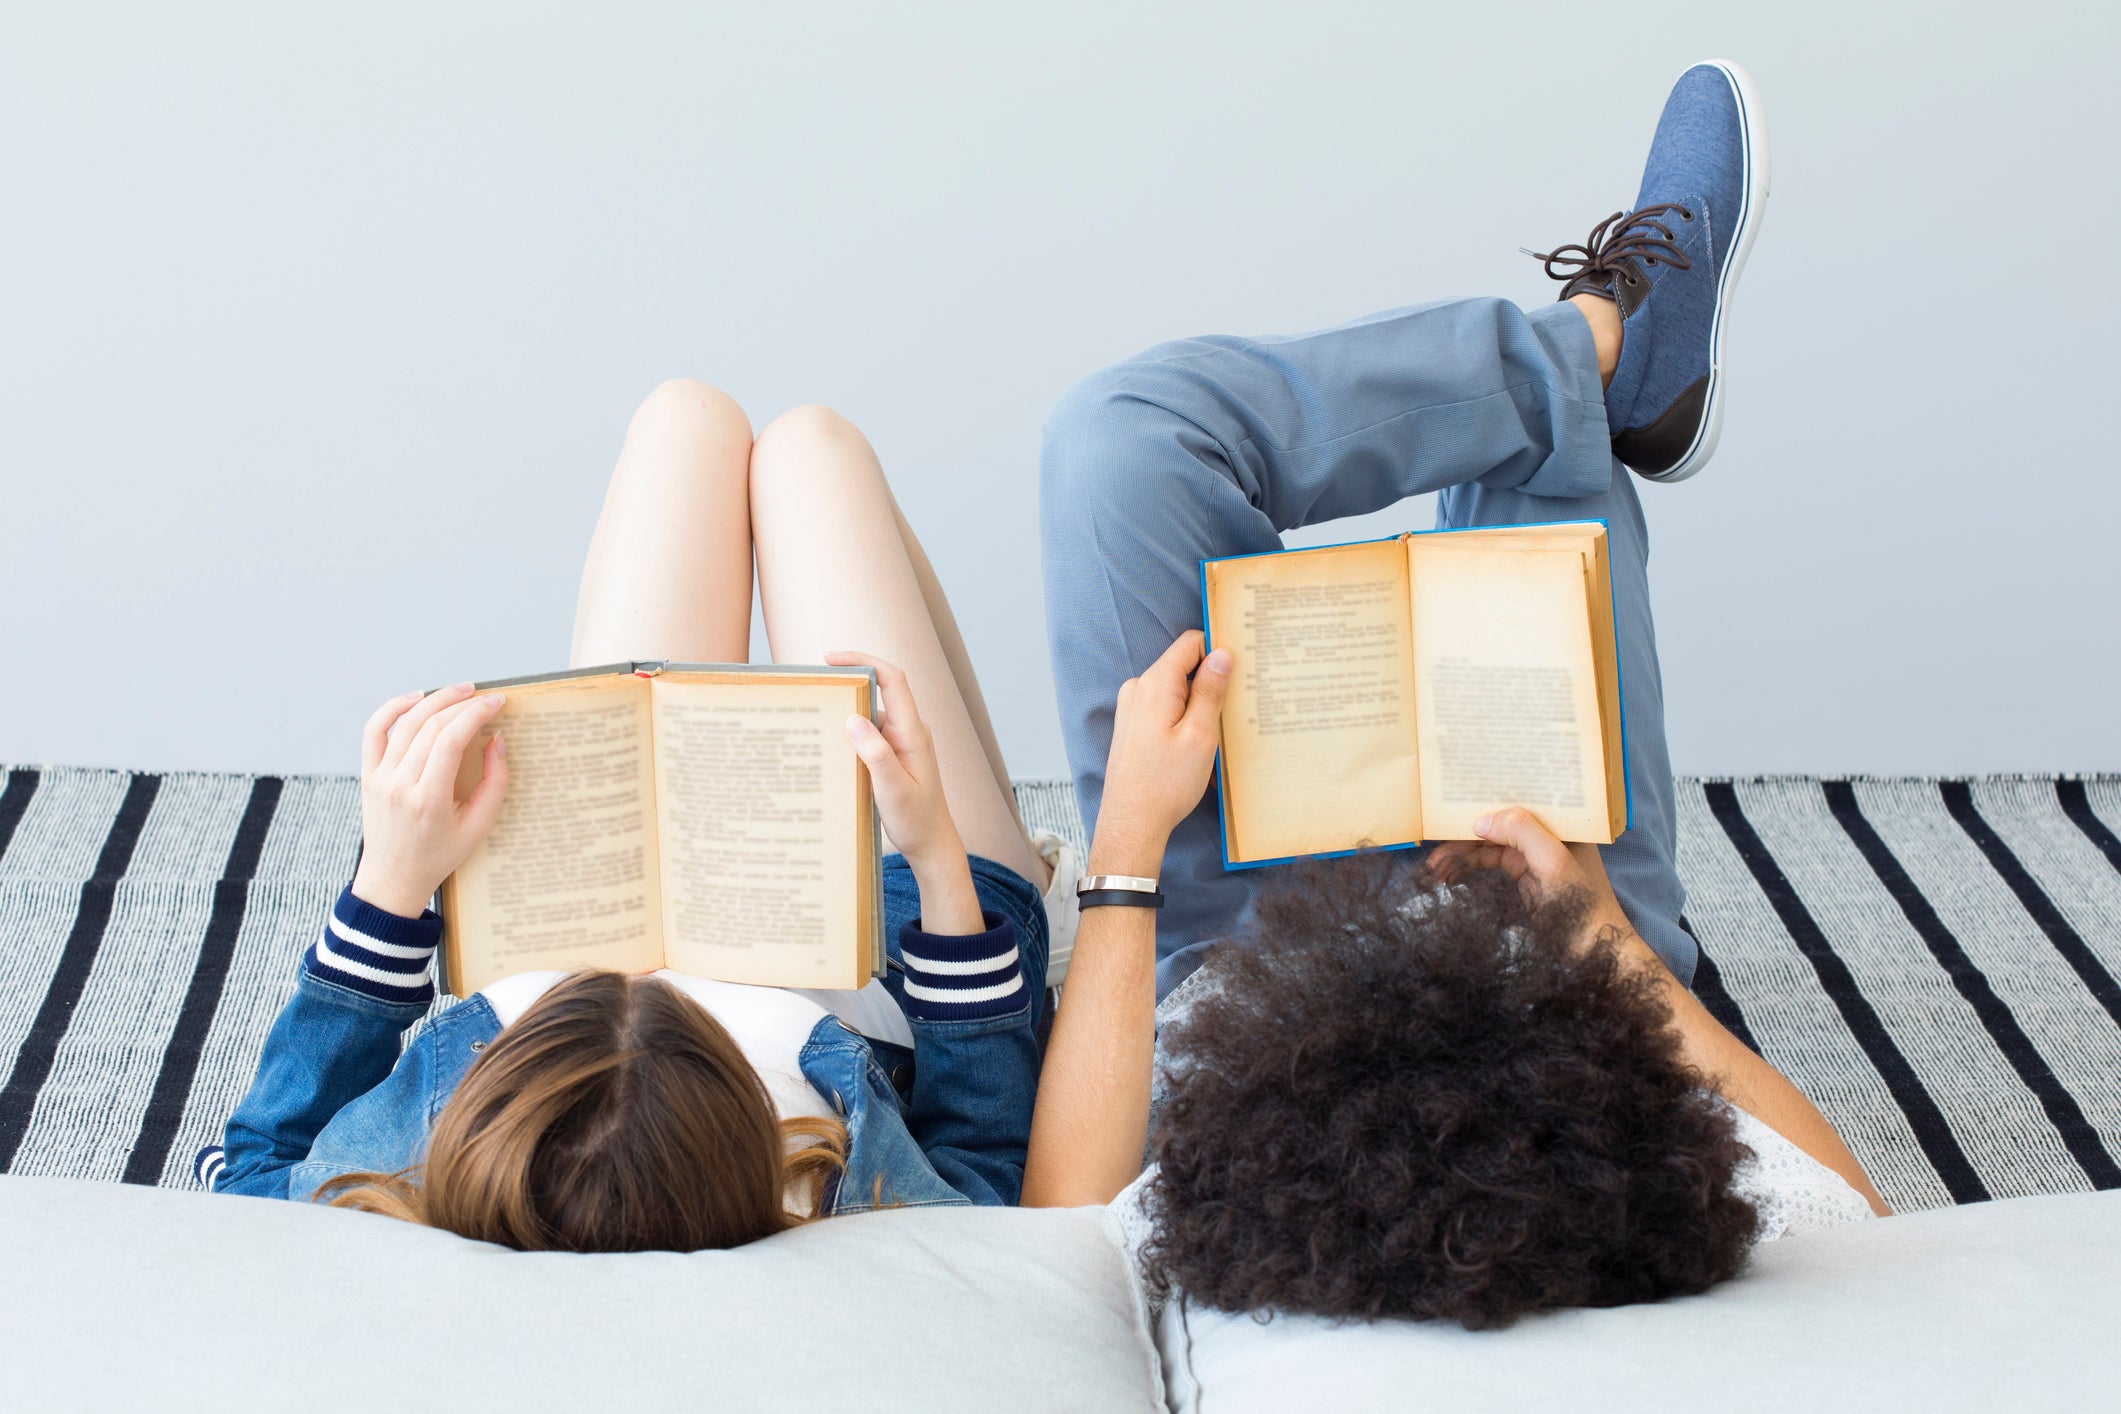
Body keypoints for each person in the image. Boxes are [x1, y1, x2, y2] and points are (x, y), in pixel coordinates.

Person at [1021, 60, 1890, 1327]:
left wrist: (1127, 849)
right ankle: (1605, 358)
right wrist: (1593, 927)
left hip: (1234, 962)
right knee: (1536, 492)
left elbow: (1058, 1225)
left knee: (1122, 440)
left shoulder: (1217, 1231)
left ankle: (1583, 362)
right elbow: (1853, 1226)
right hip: (1541, 933)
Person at [196, 390, 1076, 1251]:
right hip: (906, 942)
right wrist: (932, 859)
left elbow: (253, 1171)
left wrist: (389, 887)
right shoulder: (850, 1194)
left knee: (684, 425)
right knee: (813, 453)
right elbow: (982, 1160)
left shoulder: (396, 1184)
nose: (653, 977)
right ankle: (1043, 890)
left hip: (587, 910)